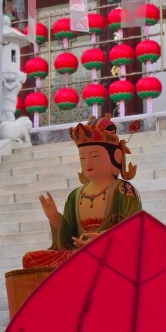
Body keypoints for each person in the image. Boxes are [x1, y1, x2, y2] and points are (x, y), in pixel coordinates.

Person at [22, 114, 142, 269]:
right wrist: (56, 219)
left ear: (117, 157)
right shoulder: (75, 196)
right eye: (82, 158)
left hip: (110, 254)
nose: (88, 163)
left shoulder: (124, 191)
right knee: (30, 259)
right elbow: (69, 239)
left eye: (94, 156)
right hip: (78, 255)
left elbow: (135, 232)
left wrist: (104, 240)